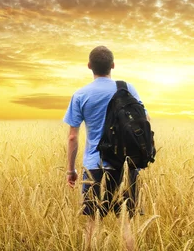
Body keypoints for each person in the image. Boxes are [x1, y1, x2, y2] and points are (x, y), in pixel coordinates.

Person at [64, 46, 149, 222]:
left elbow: (73, 136)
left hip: (93, 165)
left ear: (89, 66)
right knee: (126, 222)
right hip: (125, 164)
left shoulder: (80, 94)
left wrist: (70, 170)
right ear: (113, 65)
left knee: (92, 223)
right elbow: (145, 119)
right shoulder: (127, 89)